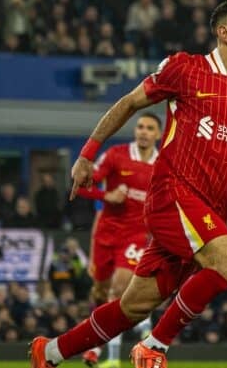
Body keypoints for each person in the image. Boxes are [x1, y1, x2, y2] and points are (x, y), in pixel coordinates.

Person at [30, 0, 227, 368]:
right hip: (173, 194)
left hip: (206, 212)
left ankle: (48, 352)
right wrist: (87, 153)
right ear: (224, 33)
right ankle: (155, 346)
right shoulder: (186, 69)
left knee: (133, 306)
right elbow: (129, 103)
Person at [79, 112, 161, 368]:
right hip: (105, 234)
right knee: (100, 292)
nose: (144, 131)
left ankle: (112, 359)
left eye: (149, 128)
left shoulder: (164, 165)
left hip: (135, 236)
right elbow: (82, 185)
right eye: (140, 127)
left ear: (158, 134)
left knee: (119, 288)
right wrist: (107, 196)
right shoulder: (116, 155)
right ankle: (96, 345)